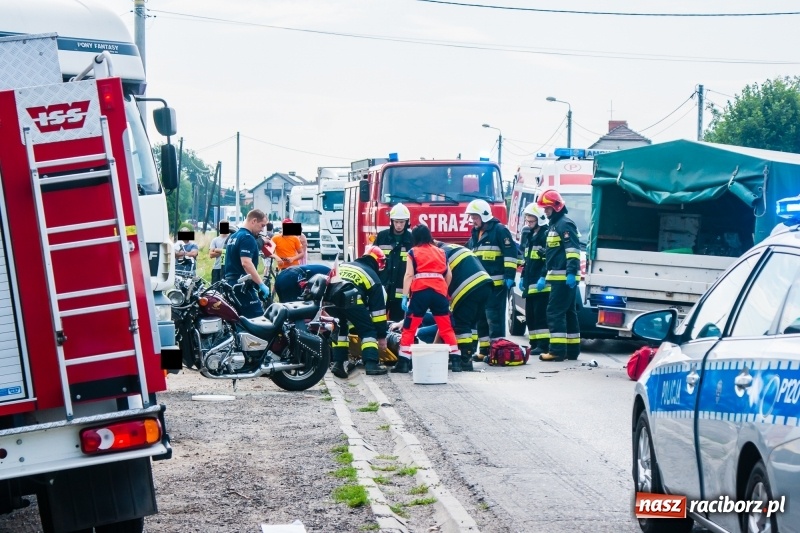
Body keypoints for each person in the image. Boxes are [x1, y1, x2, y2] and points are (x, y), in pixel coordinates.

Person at [392, 224, 461, 373]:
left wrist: (405, 295)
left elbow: (409, 275)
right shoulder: (441, 252)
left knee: (410, 328)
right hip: (439, 293)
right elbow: (448, 275)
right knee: (446, 327)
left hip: (420, 293)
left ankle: (403, 362)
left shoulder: (413, 252)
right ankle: (456, 361)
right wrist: (444, 291)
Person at [464, 199, 518, 359]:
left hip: (496, 284)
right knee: (481, 318)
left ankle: (498, 351)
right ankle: (485, 351)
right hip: (481, 285)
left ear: (484, 216)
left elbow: (511, 254)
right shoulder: (475, 233)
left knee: (494, 318)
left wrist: (509, 276)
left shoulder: (500, 230)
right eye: (472, 217)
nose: (472, 220)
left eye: (475, 217)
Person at [328, 246, 389, 377]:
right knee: (367, 330)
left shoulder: (346, 265)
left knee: (340, 328)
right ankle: (371, 364)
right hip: (351, 299)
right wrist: (381, 335)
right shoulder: (373, 277)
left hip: (331, 297)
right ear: (378, 262)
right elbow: (378, 312)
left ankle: (338, 363)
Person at [537, 189, 581, 361]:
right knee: (569, 313)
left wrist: (571, 273)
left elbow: (572, 251)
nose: (545, 211)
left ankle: (556, 351)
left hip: (563, 278)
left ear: (556, 207)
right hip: (558, 277)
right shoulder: (555, 226)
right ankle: (571, 350)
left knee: (554, 312)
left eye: (547, 208)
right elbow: (552, 255)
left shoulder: (564, 224)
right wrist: (543, 274)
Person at [223, 209, 270, 318]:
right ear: (253, 221)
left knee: (238, 320)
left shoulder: (233, 236)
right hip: (242, 285)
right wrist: (260, 284)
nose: (262, 229)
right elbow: (246, 263)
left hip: (230, 283)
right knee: (257, 320)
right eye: (262, 225)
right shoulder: (248, 238)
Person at [519, 202, 551, 357]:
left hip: (541, 285)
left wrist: (543, 278)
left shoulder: (545, 236)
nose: (529, 224)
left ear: (540, 219)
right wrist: (523, 276)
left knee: (540, 316)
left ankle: (543, 345)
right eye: (528, 221)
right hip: (530, 283)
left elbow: (548, 260)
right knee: (530, 316)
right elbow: (528, 259)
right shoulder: (530, 236)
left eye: (531, 221)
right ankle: (534, 343)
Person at [375, 203, 413, 321]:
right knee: (379, 322)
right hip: (383, 289)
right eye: (396, 222)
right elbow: (372, 259)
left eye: (402, 222)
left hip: (401, 291)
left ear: (407, 222)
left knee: (398, 325)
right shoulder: (382, 237)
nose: (399, 225)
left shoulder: (412, 239)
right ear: (391, 221)